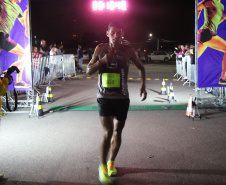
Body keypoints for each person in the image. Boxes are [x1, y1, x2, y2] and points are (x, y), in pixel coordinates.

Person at [86, 21, 147, 184]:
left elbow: (141, 67)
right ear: (108, 34)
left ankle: (112, 162)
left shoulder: (128, 50)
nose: (116, 36)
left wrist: (143, 86)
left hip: (122, 98)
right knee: (107, 132)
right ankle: (102, 166)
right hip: (104, 98)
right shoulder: (100, 49)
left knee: (117, 132)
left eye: (119, 32)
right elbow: (88, 70)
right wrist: (103, 60)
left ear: (122, 34)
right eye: (113, 32)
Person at [0, 0, 30, 88]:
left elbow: (24, 24)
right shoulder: (3, 1)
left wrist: (27, 13)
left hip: (5, 37)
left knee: (23, 54)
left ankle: (17, 80)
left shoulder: (18, 8)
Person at [198, 0, 226, 84]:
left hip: (207, 34)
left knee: (196, 57)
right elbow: (198, 7)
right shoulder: (210, 1)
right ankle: (223, 77)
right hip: (207, 33)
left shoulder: (221, 6)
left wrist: (224, 18)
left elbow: (217, 20)